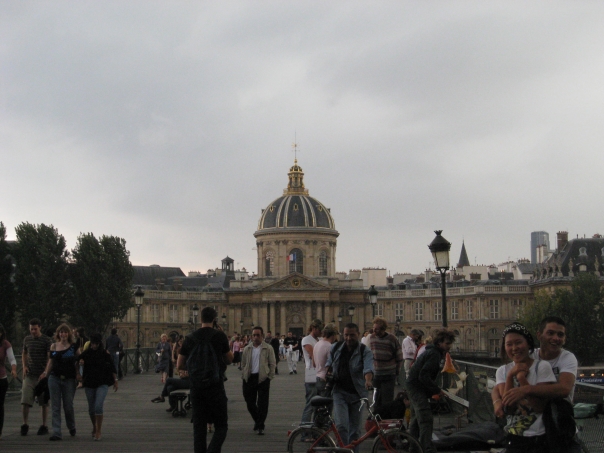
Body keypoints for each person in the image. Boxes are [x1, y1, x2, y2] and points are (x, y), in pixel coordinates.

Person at [496, 316, 581, 452]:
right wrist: (496, 400)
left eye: (560, 335)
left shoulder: (567, 358)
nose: (555, 338)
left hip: (559, 424)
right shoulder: (529, 355)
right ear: (539, 335)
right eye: (550, 333)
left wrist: (525, 389)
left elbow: (564, 389)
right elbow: (500, 386)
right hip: (530, 432)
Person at [177, 306, 233, 453]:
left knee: (199, 428)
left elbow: (179, 364)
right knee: (221, 426)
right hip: (215, 386)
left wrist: (193, 369)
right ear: (214, 319)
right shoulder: (219, 336)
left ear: (200, 318)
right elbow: (229, 359)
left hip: (196, 387)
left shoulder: (190, 338)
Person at [494, 323, 556, 453]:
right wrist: (510, 376)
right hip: (513, 437)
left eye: (518, 343)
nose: (514, 348)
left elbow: (539, 407)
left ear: (528, 344)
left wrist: (522, 379)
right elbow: (508, 409)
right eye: (509, 344)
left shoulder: (542, 367)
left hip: (539, 438)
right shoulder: (502, 371)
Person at [406, 328, 456, 453]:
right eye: (447, 343)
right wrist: (437, 390)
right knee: (426, 418)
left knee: (416, 420)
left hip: (412, 385)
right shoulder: (434, 354)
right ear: (439, 343)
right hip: (417, 388)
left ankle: (413, 447)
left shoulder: (432, 352)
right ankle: (425, 448)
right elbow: (424, 375)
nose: (449, 346)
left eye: (450, 343)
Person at [325, 323, 373, 451]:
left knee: (355, 431)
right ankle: (344, 450)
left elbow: (368, 368)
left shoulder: (365, 351)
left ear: (358, 334)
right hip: (339, 392)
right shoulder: (336, 347)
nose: (348, 338)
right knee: (341, 426)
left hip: (357, 394)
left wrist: (368, 381)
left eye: (352, 335)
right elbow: (329, 364)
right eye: (346, 335)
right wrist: (328, 374)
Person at [41, 323, 82, 440]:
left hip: (69, 379)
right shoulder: (54, 346)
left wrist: (79, 373)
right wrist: (45, 374)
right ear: (58, 334)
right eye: (61, 332)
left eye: (65, 332)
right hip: (54, 378)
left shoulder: (73, 347)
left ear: (68, 334)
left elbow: (79, 359)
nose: (63, 334)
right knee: (55, 406)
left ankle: (71, 426)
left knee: (68, 405)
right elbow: (51, 362)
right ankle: (57, 432)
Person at [79, 333, 118, 441]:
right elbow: (77, 359)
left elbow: (112, 367)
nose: (94, 345)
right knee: (91, 409)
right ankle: (94, 426)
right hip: (89, 382)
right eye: (92, 343)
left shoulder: (105, 353)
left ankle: (98, 430)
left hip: (102, 382)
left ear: (99, 343)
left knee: (98, 406)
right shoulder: (87, 353)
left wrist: (115, 380)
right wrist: (78, 371)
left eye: (96, 343)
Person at [20, 318, 53, 436]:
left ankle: (44, 425)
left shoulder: (46, 340)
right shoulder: (27, 339)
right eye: (31, 329)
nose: (33, 331)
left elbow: (50, 357)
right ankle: (25, 424)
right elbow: (24, 352)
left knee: (43, 402)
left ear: (40, 328)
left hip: (42, 376)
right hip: (30, 374)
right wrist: (24, 366)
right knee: (25, 400)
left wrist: (46, 372)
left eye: (35, 329)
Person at [241, 326, 276, 435]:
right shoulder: (247, 348)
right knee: (249, 402)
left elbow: (272, 364)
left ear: (262, 336)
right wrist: (244, 374)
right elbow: (243, 364)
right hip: (249, 378)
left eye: (258, 335)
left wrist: (269, 377)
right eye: (254, 335)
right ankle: (258, 420)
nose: (256, 337)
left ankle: (260, 425)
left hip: (263, 378)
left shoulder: (268, 348)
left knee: (262, 404)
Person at [369, 317, 403, 408]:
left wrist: (397, 370)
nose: (374, 331)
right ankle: (377, 415)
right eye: (373, 328)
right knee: (376, 399)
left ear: (383, 329)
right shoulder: (372, 338)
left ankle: (386, 415)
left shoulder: (391, 339)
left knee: (387, 399)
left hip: (389, 373)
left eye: (377, 329)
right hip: (376, 373)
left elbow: (399, 355)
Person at [300, 319, 323, 425]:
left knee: (319, 403)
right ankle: (304, 428)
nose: (321, 332)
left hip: (319, 372)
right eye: (319, 329)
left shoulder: (319, 339)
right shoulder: (306, 339)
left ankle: (316, 429)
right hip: (311, 371)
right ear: (314, 328)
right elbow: (312, 354)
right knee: (311, 402)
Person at [0, 324, 17, 440]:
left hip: (1, 379)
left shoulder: (5, 344)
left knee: (0, 405)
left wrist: (14, 369)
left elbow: (12, 359)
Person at [313, 324, 338, 397]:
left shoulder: (317, 344)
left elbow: (314, 363)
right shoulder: (329, 346)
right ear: (333, 335)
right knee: (328, 402)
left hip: (317, 377)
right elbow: (332, 365)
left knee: (320, 401)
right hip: (325, 379)